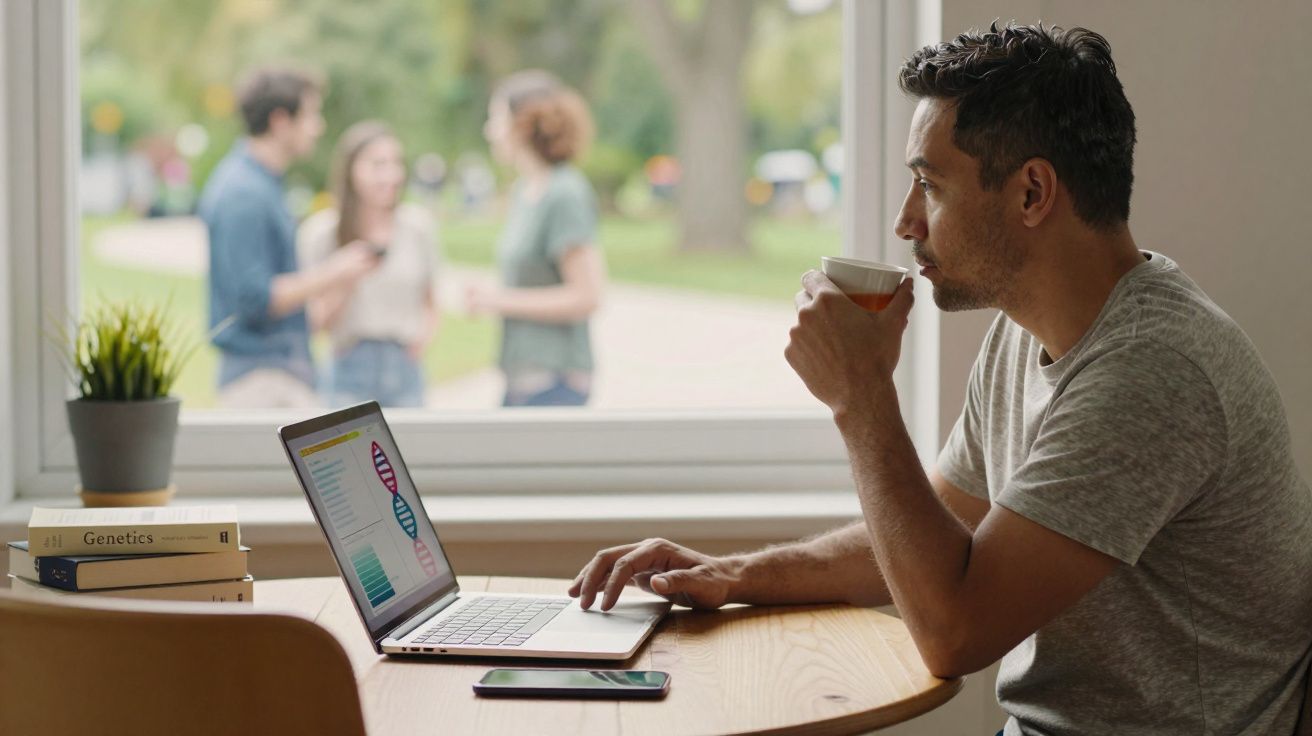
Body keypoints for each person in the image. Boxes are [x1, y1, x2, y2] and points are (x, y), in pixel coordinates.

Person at [568, 23, 1312, 734]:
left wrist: (861, 398)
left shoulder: (1153, 371)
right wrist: (736, 575)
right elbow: (940, 536)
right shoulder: (1026, 334)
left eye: (930, 185)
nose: (904, 222)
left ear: (1030, 194)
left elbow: (955, 630)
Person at [199, 66, 380, 408]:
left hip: (281, 373)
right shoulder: (244, 194)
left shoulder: (262, 185)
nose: (319, 127)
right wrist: (335, 271)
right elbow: (254, 299)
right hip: (262, 380)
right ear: (281, 121)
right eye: (312, 115)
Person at [465, 70, 606, 407]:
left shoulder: (565, 193)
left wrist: (498, 300)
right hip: (521, 377)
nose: (489, 131)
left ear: (522, 125)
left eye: (495, 118)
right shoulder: (523, 192)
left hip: (556, 381)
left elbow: (586, 296)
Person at [298, 121, 440, 408]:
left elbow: (431, 301)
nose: (391, 174)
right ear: (351, 170)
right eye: (378, 164)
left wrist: (420, 341)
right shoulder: (322, 233)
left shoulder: (417, 227)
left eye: (395, 163)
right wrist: (344, 278)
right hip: (349, 366)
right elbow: (315, 323)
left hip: (405, 367)